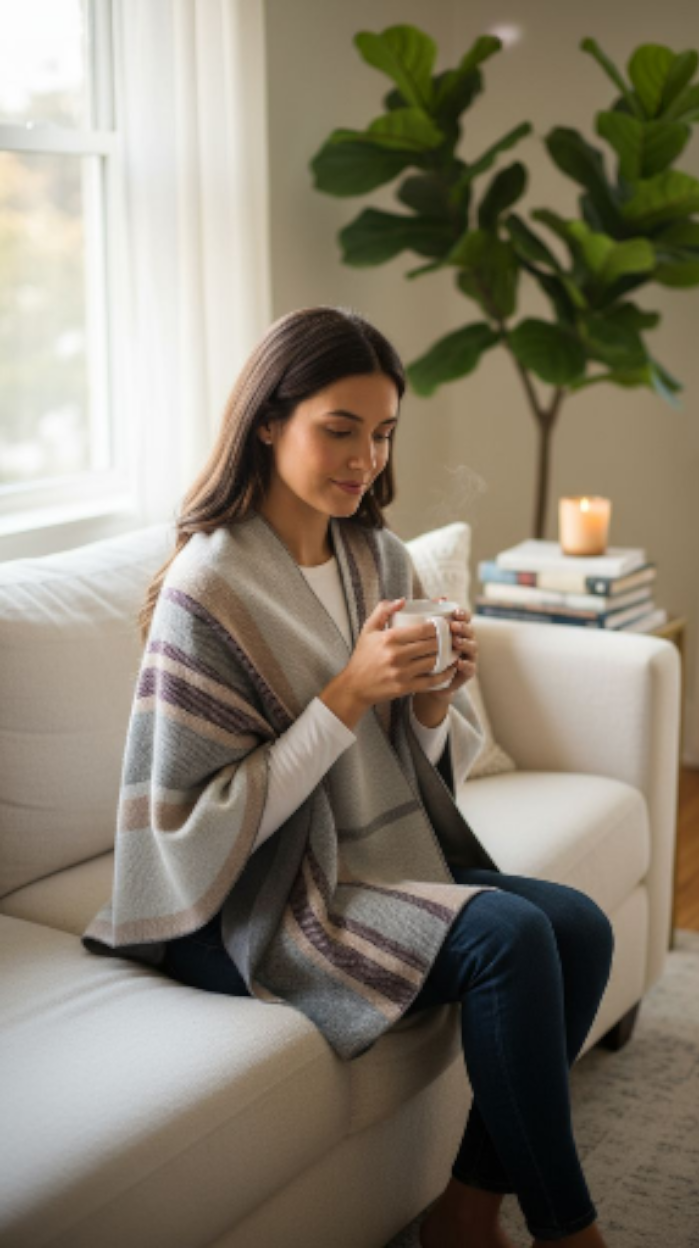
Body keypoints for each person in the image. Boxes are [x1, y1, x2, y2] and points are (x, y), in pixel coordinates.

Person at [82, 306, 615, 1247]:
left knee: (576, 924)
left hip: (372, 860)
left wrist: (433, 701)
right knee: (510, 935)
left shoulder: (380, 556)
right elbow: (188, 827)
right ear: (267, 420)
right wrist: (348, 695)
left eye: (382, 434)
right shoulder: (210, 591)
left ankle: (464, 1210)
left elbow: (412, 770)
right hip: (249, 902)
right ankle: (570, 1232)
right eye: (340, 429)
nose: (365, 458)